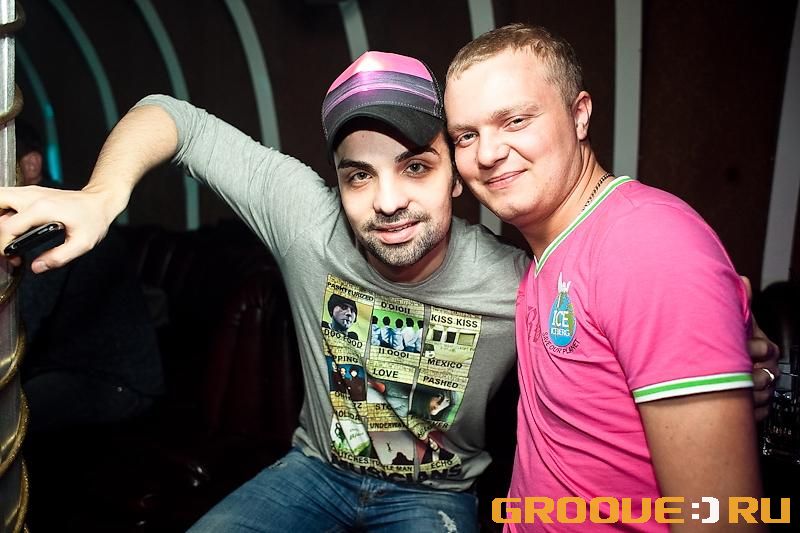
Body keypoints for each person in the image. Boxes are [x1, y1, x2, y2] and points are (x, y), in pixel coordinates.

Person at [0, 50, 777, 532]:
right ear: (335, 184)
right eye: (358, 176)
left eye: (416, 165)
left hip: (434, 499)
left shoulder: (519, 281)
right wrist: (100, 197)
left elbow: (632, 327)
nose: (389, 201)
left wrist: (727, 356)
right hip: (314, 472)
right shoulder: (305, 219)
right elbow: (172, 117)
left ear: (457, 174)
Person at [444, 24, 770, 530]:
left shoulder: (646, 244)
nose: (486, 154)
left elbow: (722, 519)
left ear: (579, 115)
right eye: (467, 136)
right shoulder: (550, 253)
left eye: (515, 120)